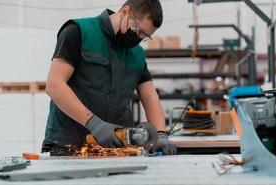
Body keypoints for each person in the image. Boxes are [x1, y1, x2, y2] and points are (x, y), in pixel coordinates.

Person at [42, 0, 177, 156]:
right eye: (138, 30)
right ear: (125, 12)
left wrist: (160, 135)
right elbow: (54, 85)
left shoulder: (137, 54)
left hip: (117, 147)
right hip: (70, 146)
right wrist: (94, 124)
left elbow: (149, 96)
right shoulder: (78, 32)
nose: (138, 38)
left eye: (145, 36)